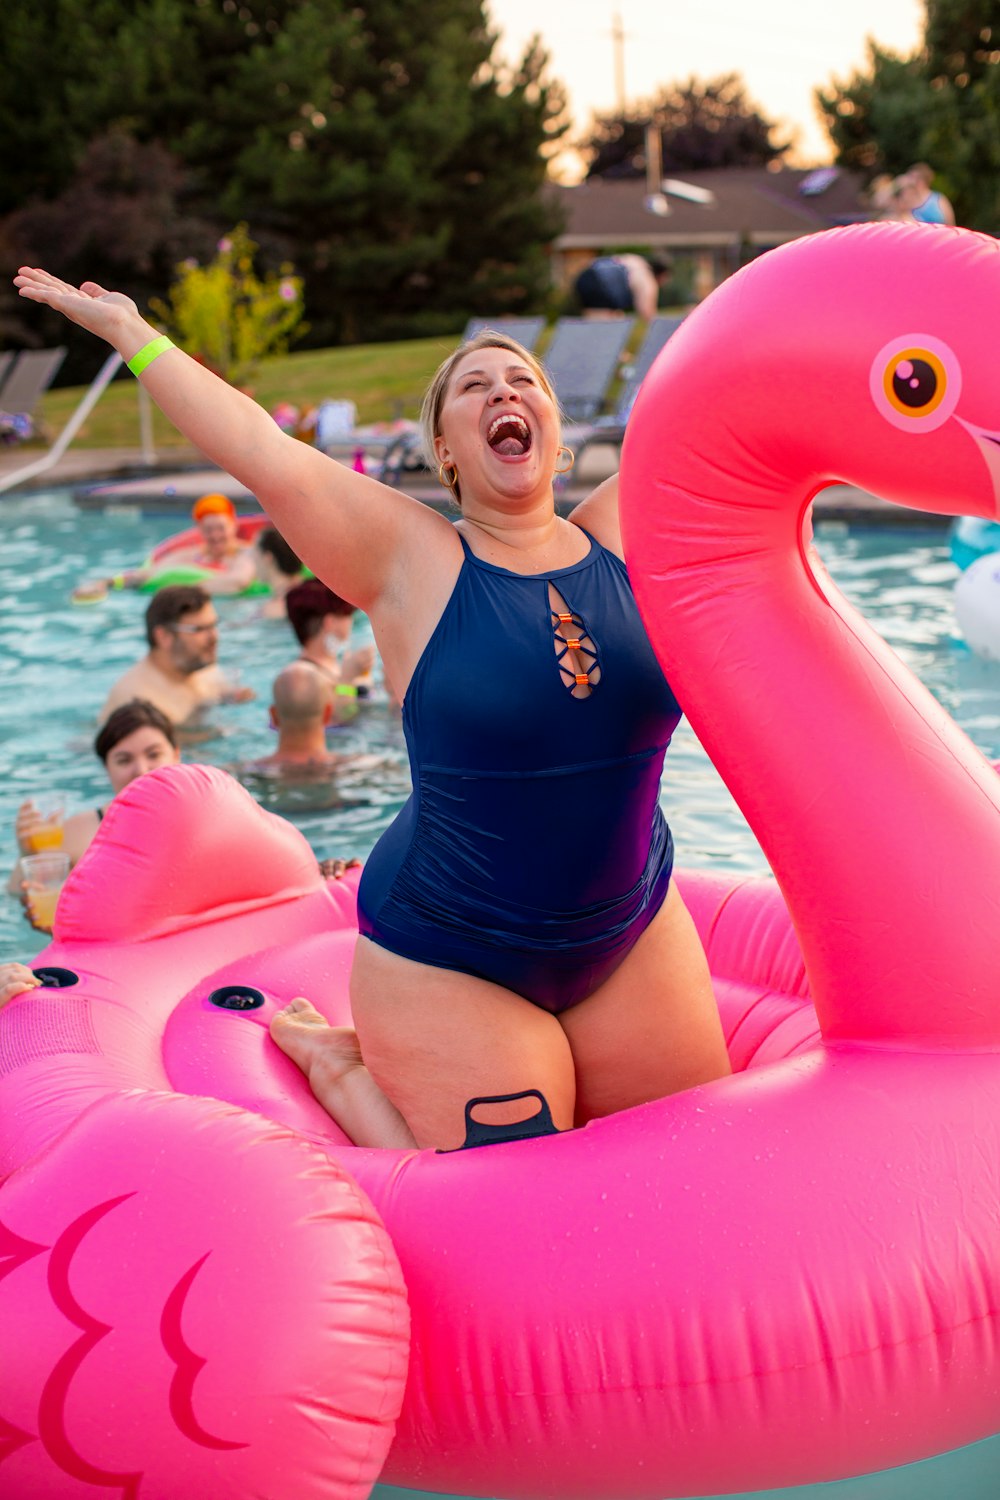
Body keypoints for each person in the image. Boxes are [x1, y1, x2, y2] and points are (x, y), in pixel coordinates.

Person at [12, 266, 732, 1152]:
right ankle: (341, 1068)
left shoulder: (630, 529)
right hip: (453, 951)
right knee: (504, 1196)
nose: (503, 391)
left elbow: (732, 412)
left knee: (699, 1157)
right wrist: (134, 335)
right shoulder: (410, 557)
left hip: (630, 926)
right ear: (448, 452)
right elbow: (263, 451)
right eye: (475, 387)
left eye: (523, 382)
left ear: (558, 431)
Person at [8, 699, 181, 925]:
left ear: (176, 755)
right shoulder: (81, 831)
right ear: (106, 768)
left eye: (154, 754)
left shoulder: (204, 821)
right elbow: (16, 895)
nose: (141, 769)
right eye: (124, 760)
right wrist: (27, 853)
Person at [99, 584, 255, 729]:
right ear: (164, 636)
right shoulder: (140, 703)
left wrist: (230, 697)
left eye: (214, 625)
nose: (214, 637)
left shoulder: (199, 665)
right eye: (199, 629)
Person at [73, 492, 257, 602]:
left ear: (234, 525)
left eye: (221, 528)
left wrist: (179, 589)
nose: (215, 536)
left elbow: (239, 582)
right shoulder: (192, 556)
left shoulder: (247, 554)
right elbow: (147, 574)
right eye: (209, 530)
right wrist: (105, 583)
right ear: (199, 530)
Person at [285, 578, 376, 703]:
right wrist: (347, 679)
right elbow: (339, 717)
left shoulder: (333, 666)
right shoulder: (301, 677)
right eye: (347, 615)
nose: (350, 622)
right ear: (330, 622)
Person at [573, 252, 673, 321]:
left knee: (596, 320)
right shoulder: (648, 281)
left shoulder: (637, 260)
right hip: (600, 284)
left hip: (585, 275)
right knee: (605, 322)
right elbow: (647, 312)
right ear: (662, 275)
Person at [254, 525, 305, 619]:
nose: (254, 561)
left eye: (255, 554)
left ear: (268, 557)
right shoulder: (311, 592)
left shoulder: (273, 610)